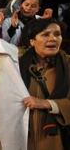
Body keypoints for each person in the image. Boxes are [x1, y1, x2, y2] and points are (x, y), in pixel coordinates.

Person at [19, 18, 70, 150]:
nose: (53, 38)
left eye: (57, 34)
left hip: (57, 141)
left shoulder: (68, 65)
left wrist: (47, 104)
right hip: (23, 140)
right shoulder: (15, 66)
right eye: (45, 34)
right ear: (32, 41)